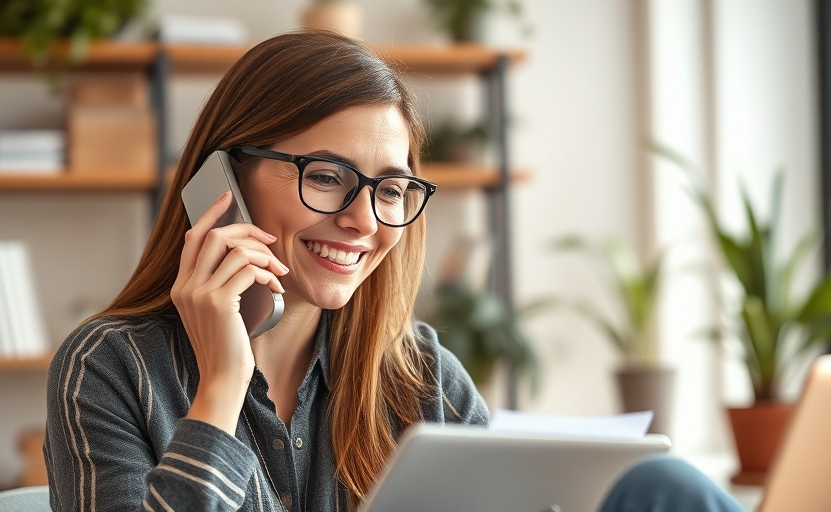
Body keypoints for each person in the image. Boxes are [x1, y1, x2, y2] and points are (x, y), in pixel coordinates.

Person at [44, 30, 743, 512]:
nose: (366, 221)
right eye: (326, 176)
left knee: (664, 486)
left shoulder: (420, 376)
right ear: (221, 181)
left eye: (390, 189)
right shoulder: (107, 368)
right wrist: (222, 385)